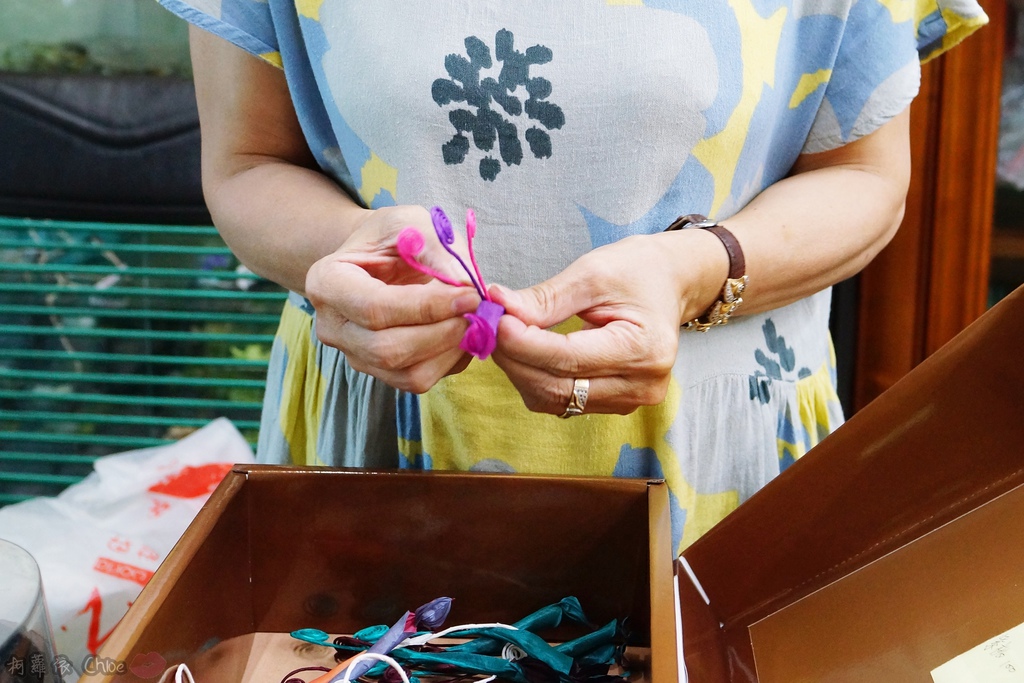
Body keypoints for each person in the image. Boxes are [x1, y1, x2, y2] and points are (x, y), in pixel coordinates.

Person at [159, 0, 986, 554]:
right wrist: (347, 243)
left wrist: (695, 270)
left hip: (715, 463)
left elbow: (867, 178)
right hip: (381, 436)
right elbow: (246, 162)